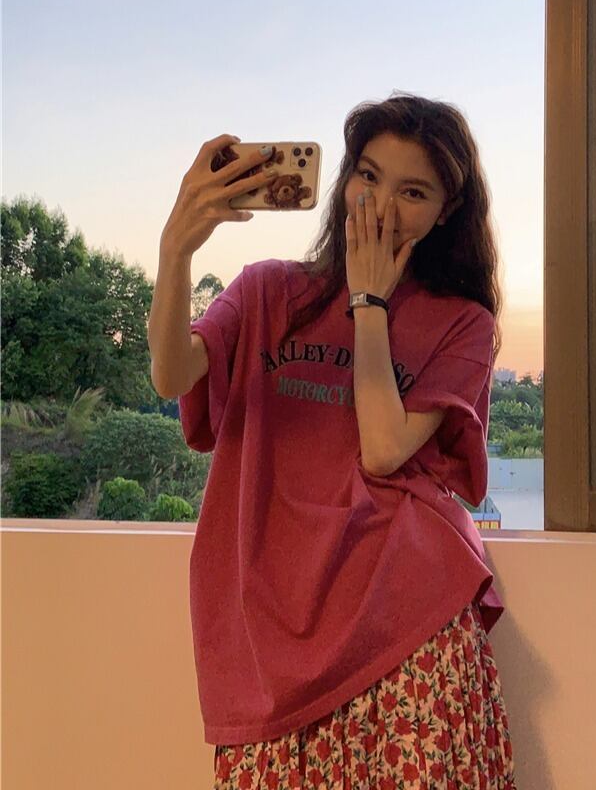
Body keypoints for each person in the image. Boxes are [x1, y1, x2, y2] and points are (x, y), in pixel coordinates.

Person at [149, 91, 517, 789]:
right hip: (268, 629)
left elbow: (382, 448)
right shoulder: (268, 292)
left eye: (413, 191)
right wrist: (176, 249)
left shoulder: (463, 324)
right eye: (368, 176)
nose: (381, 205)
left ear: (446, 213)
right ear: (345, 179)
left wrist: (369, 302)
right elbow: (171, 374)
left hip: (407, 627)